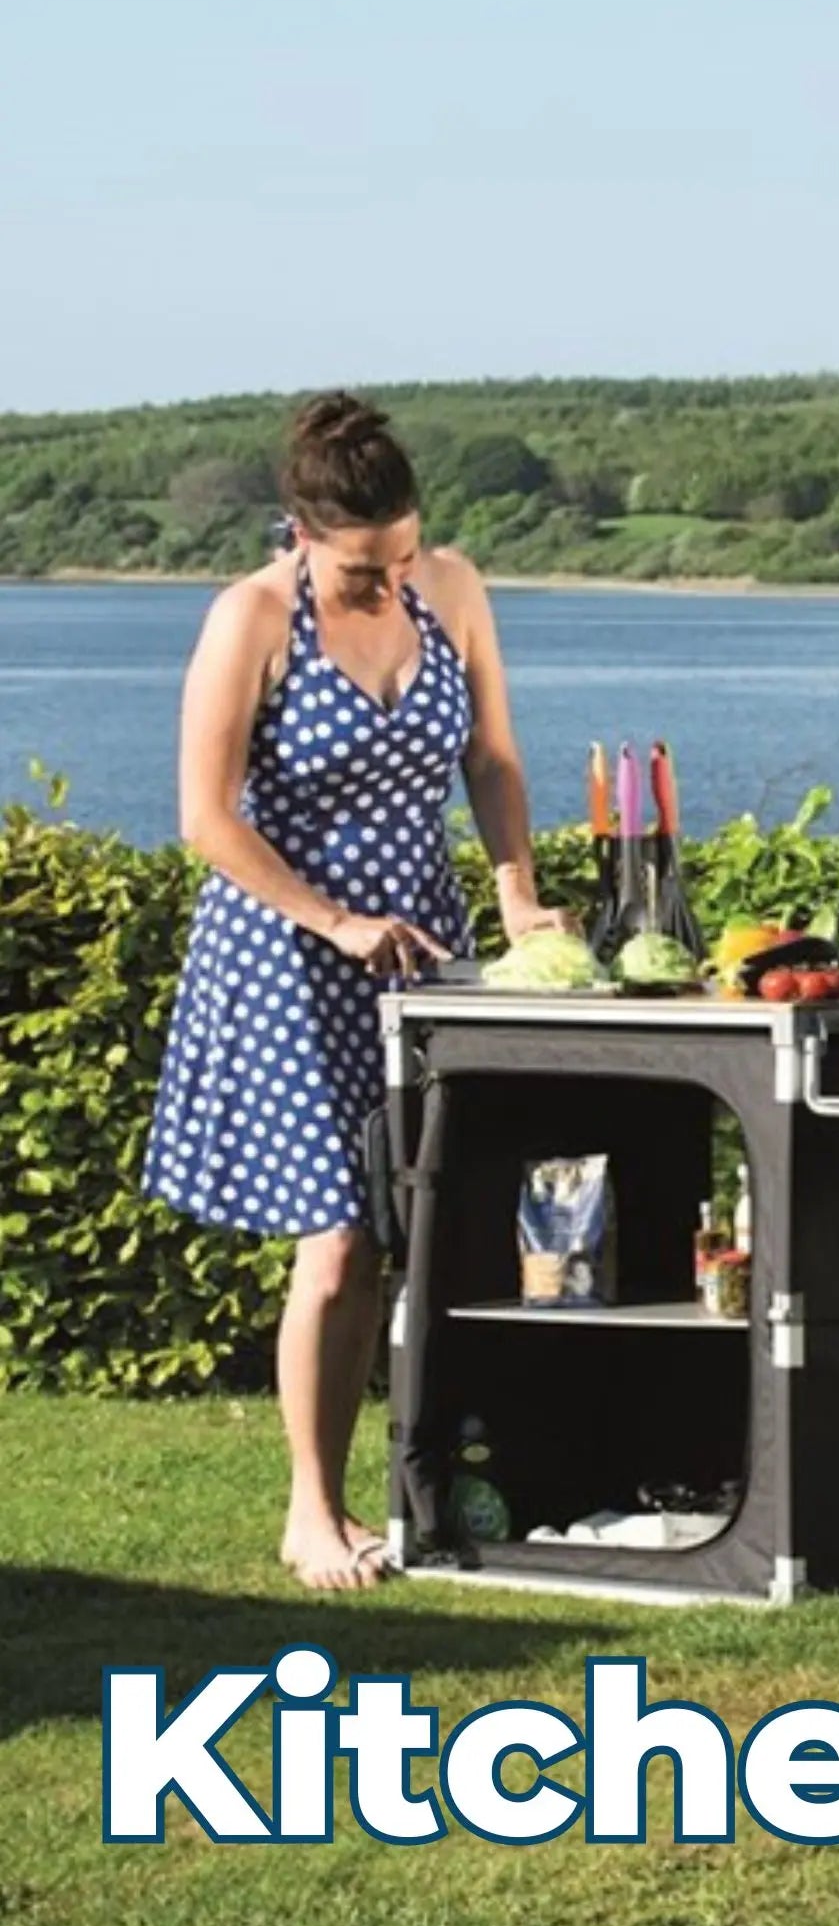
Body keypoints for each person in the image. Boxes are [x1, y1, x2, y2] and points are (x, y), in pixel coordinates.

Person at [144, 391, 573, 1591]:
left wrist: (515, 894)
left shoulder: (455, 587)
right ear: (298, 535)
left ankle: (443, 1478)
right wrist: (331, 918)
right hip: (285, 948)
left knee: (419, 1226)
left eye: (398, 562)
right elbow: (205, 818)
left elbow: (490, 758)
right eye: (358, 574)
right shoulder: (249, 618)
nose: (387, 589)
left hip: (418, 942)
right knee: (336, 1242)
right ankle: (310, 1512)